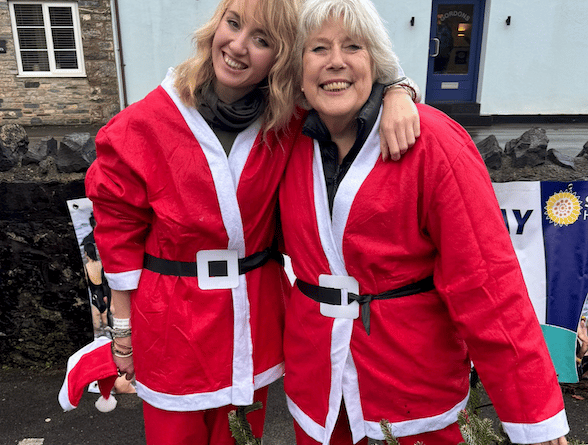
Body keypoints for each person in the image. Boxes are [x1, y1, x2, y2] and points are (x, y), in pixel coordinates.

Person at [84, 0, 421, 443]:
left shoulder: (286, 120)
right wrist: (122, 336)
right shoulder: (140, 125)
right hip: (172, 329)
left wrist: (398, 90)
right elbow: (119, 239)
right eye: (233, 23)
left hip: (251, 326)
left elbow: (346, 84)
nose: (238, 46)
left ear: (280, 59)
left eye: (262, 40)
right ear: (215, 25)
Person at [278, 0, 570, 444]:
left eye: (352, 46)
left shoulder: (433, 144)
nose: (335, 61)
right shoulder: (283, 142)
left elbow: (488, 286)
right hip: (319, 389)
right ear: (298, 68)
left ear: (375, 61)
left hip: (411, 388)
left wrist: (537, 419)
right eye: (317, 49)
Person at [83, 243, 110, 338]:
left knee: (97, 328)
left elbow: (86, 283)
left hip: (95, 299)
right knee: (106, 325)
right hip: (105, 297)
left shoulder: (86, 267)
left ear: (86, 253)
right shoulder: (100, 264)